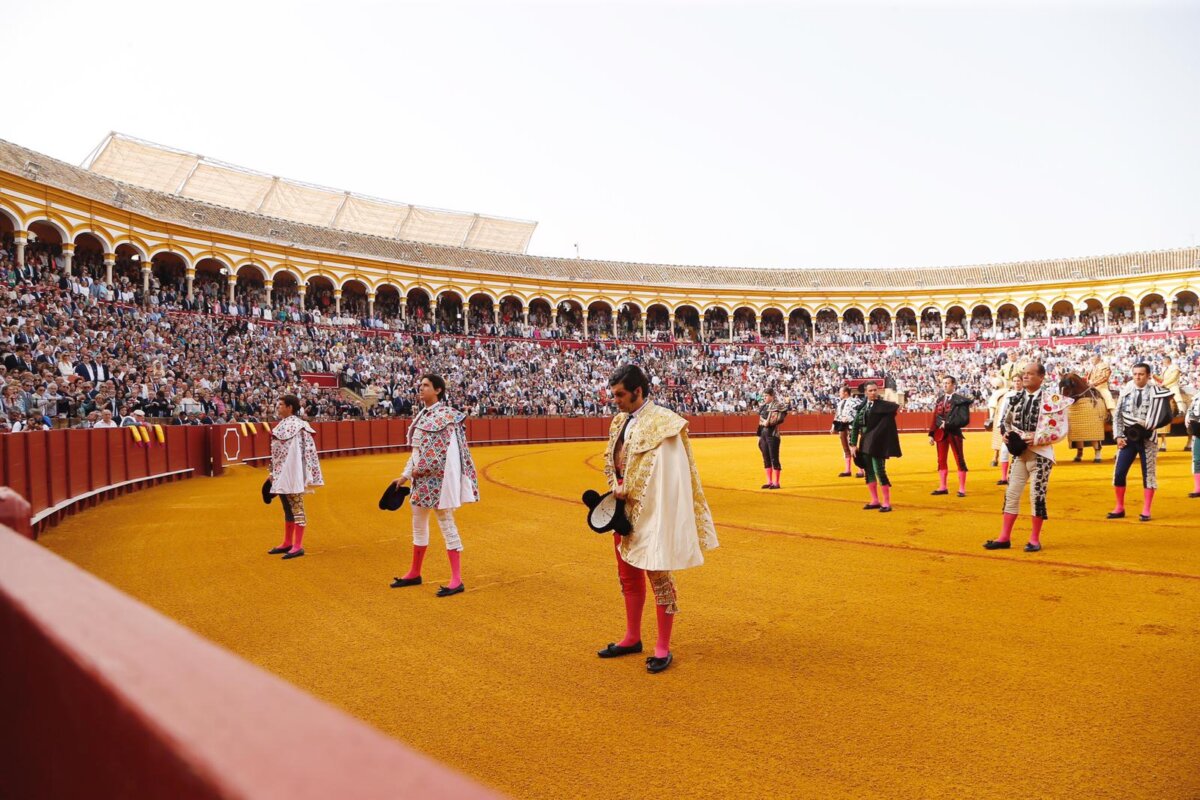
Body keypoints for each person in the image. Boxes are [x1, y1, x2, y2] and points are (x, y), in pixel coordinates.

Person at [598, 364, 718, 674]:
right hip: (622, 512)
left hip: (654, 512)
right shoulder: (619, 422)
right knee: (628, 576)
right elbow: (613, 463)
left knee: (659, 578)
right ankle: (631, 637)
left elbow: (671, 477)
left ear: (638, 391)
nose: (616, 400)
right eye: (614, 395)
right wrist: (617, 490)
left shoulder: (665, 423)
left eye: (621, 394)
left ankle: (662, 647)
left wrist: (644, 503)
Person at [390, 374, 479, 597]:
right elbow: (417, 453)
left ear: (438, 390)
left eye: (426, 385)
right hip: (421, 480)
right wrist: (404, 476)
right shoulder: (424, 415)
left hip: (438, 481)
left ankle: (456, 579)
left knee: (447, 524)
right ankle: (414, 572)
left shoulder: (445, 416)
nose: (421, 388)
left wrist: (416, 472)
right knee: (418, 525)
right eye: (420, 385)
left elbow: (441, 456)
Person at [985, 361, 1072, 552]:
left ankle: (1034, 539)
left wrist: (1037, 437)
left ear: (1041, 377)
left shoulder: (1053, 400)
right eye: (1024, 373)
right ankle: (1004, 537)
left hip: (1041, 454)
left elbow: (1061, 429)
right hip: (1019, 453)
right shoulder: (1014, 398)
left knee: (1037, 496)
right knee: (1011, 494)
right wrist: (1007, 433)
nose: (1025, 376)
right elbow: (1005, 422)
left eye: (1031, 374)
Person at [1108, 363, 1174, 522]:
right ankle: (1119, 507)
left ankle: (1146, 509)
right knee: (1119, 472)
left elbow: (1162, 415)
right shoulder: (1125, 391)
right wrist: (1118, 436)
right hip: (1127, 438)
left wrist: (1149, 426)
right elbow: (1117, 416)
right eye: (1135, 374)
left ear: (1149, 375)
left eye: (1141, 374)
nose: (1137, 377)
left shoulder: (1157, 392)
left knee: (1149, 474)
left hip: (1148, 438)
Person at [267, 394, 324, 559]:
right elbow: (276, 454)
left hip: (295, 473)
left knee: (297, 508)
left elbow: (306, 453)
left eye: (281, 405)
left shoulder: (300, 426)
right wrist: (273, 473)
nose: (278, 407)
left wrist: (304, 474)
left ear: (289, 407)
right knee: (287, 508)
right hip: (282, 473)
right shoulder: (283, 426)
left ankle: (298, 545)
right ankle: (287, 542)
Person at [849, 381, 901, 513]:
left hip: (877, 443)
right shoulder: (863, 408)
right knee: (869, 471)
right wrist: (853, 444)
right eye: (870, 391)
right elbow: (855, 426)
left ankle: (886, 502)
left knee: (880, 471)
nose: (873, 392)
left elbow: (895, 408)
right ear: (866, 392)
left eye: (875, 390)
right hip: (865, 442)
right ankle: (875, 500)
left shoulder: (883, 406)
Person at [928, 375, 971, 497]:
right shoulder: (940, 399)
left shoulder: (961, 400)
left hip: (954, 433)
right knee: (941, 460)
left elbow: (964, 419)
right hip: (940, 434)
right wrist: (931, 433)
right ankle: (943, 486)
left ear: (953, 385)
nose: (945, 385)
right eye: (943, 383)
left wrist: (947, 424)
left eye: (947, 383)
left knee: (959, 459)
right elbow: (935, 416)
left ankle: (962, 488)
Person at [992, 373, 1023, 485]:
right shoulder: (1008, 395)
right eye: (1014, 381)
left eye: (1018, 381)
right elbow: (1003, 412)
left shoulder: (1027, 395)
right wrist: (1001, 426)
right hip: (1010, 428)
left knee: (1022, 455)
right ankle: (1004, 477)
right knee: (1004, 451)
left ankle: (1018, 477)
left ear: (1022, 382)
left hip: (1023, 429)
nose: (1016, 383)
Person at [756, 388, 787, 489]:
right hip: (764, 435)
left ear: (772, 396)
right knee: (766, 458)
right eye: (764, 396)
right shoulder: (763, 407)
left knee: (774, 458)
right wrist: (759, 436)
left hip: (773, 435)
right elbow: (760, 423)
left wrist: (768, 422)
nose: (764, 397)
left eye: (766, 396)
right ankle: (769, 481)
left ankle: (776, 483)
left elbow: (780, 418)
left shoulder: (778, 405)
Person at [831, 386, 864, 478]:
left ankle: (861, 469)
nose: (839, 393)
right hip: (842, 426)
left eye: (840, 392)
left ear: (846, 392)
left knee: (853, 447)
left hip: (851, 426)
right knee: (845, 448)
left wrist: (850, 418)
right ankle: (847, 470)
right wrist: (833, 426)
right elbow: (837, 415)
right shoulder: (840, 403)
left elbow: (860, 412)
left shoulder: (855, 401)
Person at [1153, 355, 1183, 452]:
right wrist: (1154, 376)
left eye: (1163, 362)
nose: (1163, 363)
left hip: (1172, 386)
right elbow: (1161, 379)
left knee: (1177, 395)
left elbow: (1173, 379)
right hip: (1165, 386)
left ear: (1167, 361)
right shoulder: (1166, 369)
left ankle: (1182, 409)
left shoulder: (1175, 368)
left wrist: (1163, 383)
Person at [1186, 388, 1200, 498]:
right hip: (1198, 432)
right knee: (1197, 459)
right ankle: (1198, 488)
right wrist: (1188, 419)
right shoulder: (1196, 396)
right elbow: (1190, 412)